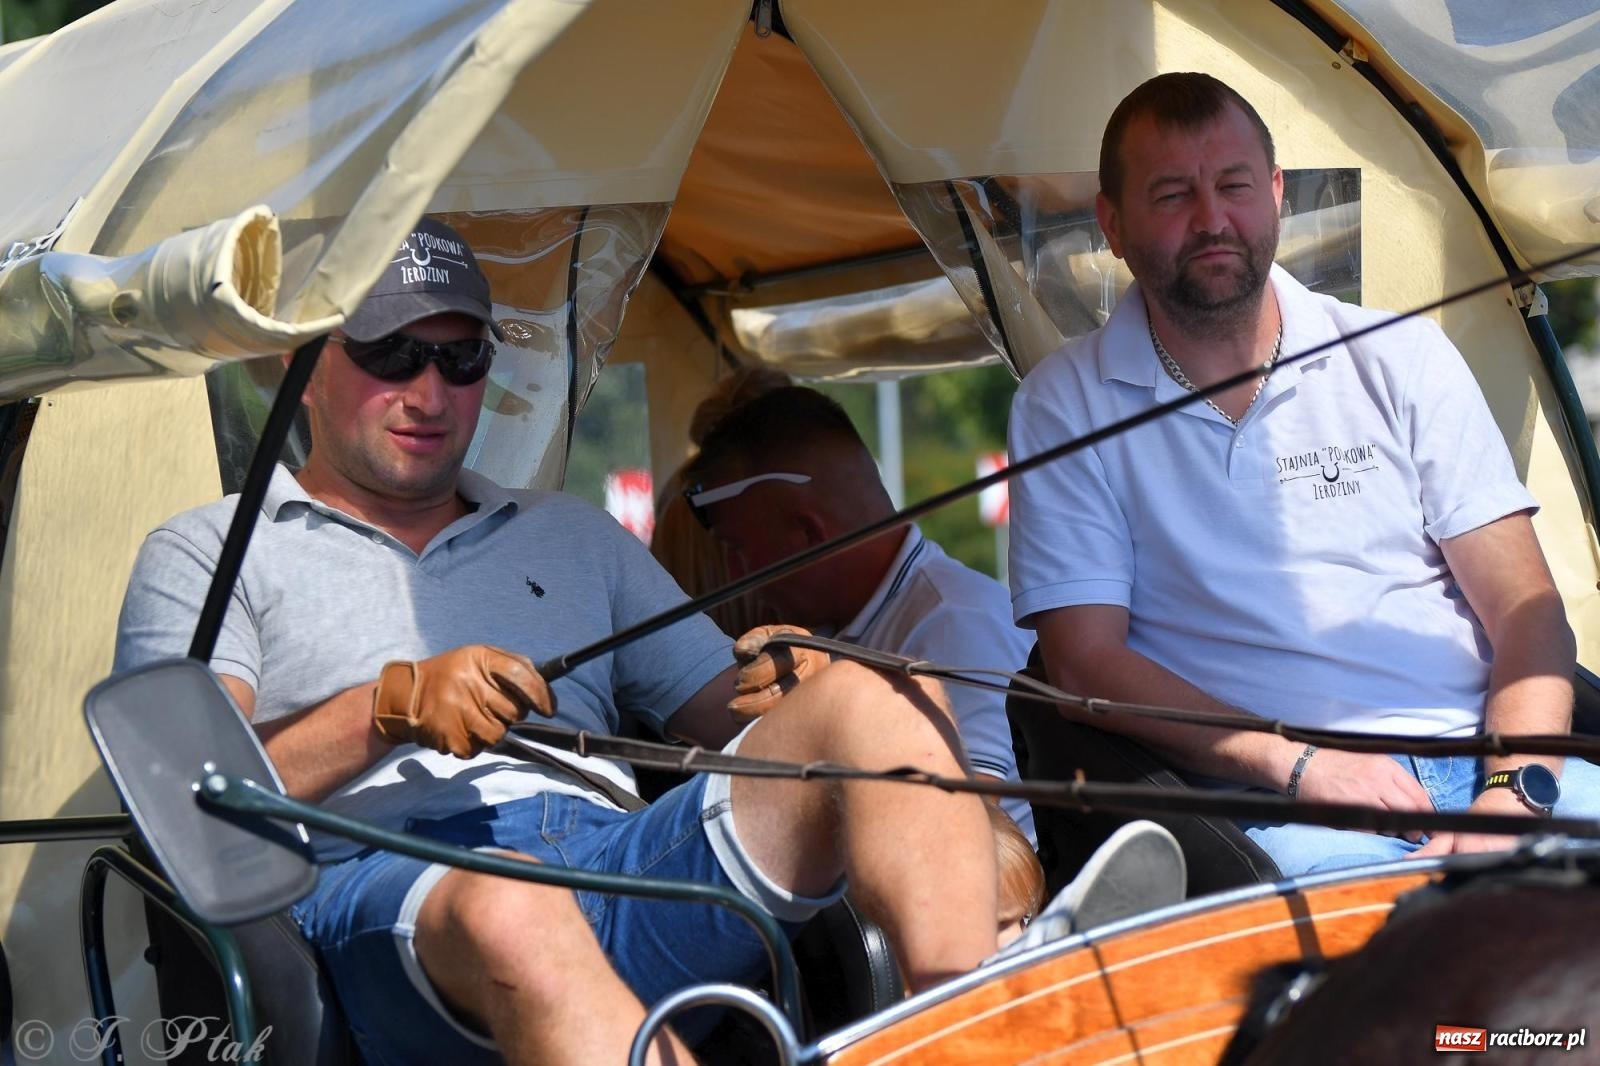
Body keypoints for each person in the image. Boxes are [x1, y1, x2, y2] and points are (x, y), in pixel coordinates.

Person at [114, 217, 1002, 1066]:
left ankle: (982, 1026)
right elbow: (184, 804)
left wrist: (795, 678)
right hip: (390, 897)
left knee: (877, 692)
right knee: (510, 901)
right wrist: (385, 710)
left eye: (462, 358)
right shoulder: (207, 550)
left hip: (623, 860)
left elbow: (730, 709)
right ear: (300, 364)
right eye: (392, 354)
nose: (430, 393)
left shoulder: (572, 534)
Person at [1006, 72, 1600, 878]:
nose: (1212, 220)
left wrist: (1510, 794)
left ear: (1277, 193)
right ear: (1112, 224)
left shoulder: (1400, 354)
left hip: (1490, 764)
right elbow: (1083, 664)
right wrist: (1298, 764)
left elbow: (1528, 610)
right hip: (1281, 809)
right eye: (1173, 195)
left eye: (1235, 186)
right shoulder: (1064, 402)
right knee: (1405, 952)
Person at [684, 384, 1038, 843]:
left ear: (808, 533)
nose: (736, 575)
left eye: (737, 550)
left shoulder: (954, 623)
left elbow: (961, 830)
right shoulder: (866, 622)